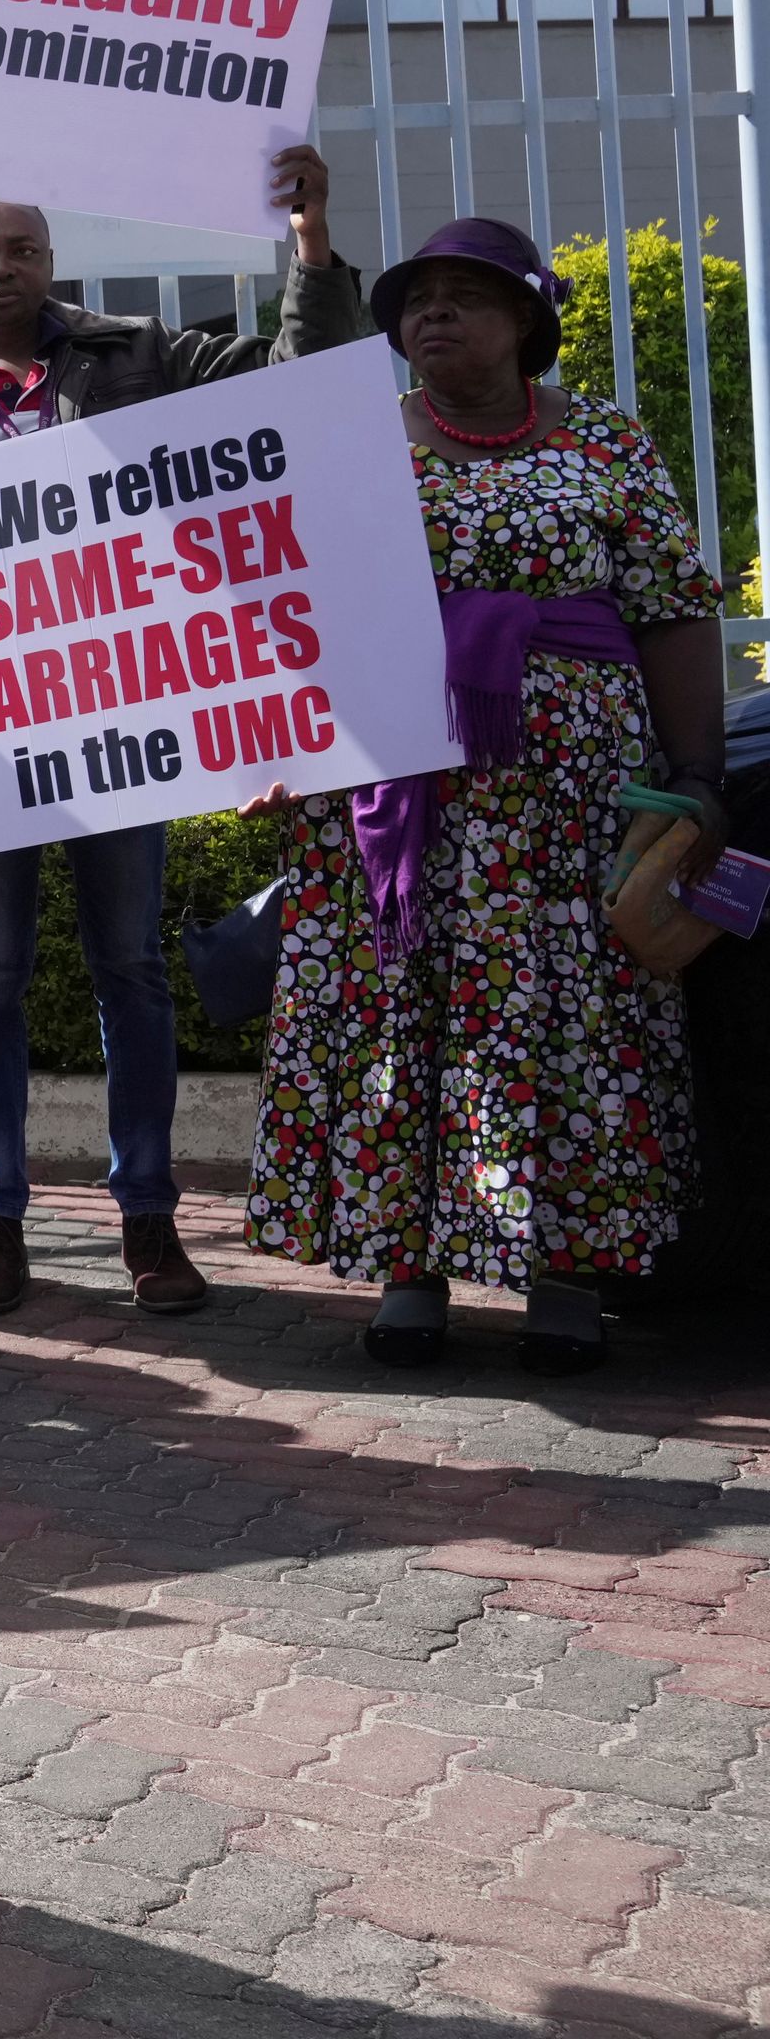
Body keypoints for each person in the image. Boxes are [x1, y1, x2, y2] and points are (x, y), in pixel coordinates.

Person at [0, 150, 365, 1317]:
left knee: (130, 969)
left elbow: (303, 372)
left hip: (124, 719)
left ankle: (148, 1216)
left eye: (21, 247)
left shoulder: (139, 355)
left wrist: (309, 244)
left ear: (51, 260)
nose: (1, 266)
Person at [247, 216, 721, 1375]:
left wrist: (697, 776)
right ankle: (413, 1267)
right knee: (402, 1011)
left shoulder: (606, 442)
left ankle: (565, 1276)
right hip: (399, 795)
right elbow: (277, 600)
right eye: (416, 299)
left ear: (526, 322)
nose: (432, 315)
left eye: (463, 296)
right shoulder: (353, 445)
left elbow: (670, 607)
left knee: (572, 1021)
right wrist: (255, 740)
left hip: (571, 802)